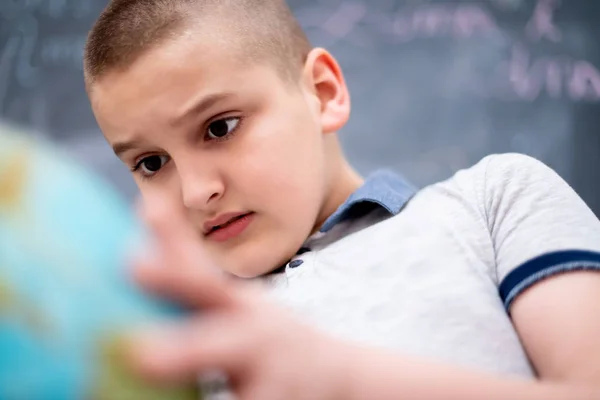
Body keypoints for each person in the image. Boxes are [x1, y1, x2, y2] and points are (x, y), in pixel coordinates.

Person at [83, 0, 600, 398]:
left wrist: (334, 375)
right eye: (151, 163)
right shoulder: (171, 337)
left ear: (324, 93)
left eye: (220, 127)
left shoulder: (493, 201)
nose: (197, 193)